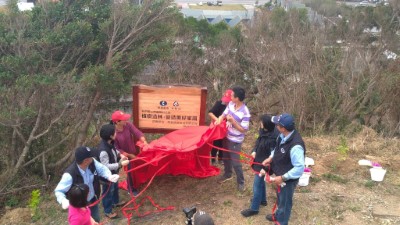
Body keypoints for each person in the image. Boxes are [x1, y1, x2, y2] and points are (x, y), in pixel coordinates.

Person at [55, 146, 120, 222]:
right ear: (86, 161)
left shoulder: (92, 162)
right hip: (79, 207)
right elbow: (58, 191)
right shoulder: (69, 175)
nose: (93, 158)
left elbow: (102, 169)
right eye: (91, 157)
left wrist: (109, 176)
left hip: (92, 200)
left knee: (96, 220)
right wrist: (63, 200)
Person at [262, 113, 305, 225]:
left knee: (285, 202)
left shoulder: (296, 146)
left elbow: (299, 168)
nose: (275, 126)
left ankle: (281, 221)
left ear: (283, 128)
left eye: (277, 124)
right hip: (280, 175)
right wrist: (271, 158)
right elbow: (276, 149)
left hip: (287, 180)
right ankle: (278, 215)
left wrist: (283, 177)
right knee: (280, 197)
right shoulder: (282, 136)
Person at [215, 86, 251, 192]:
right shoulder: (231, 104)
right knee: (226, 157)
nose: (230, 96)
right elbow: (224, 114)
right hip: (226, 136)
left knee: (235, 162)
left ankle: (241, 182)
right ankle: (227, 174)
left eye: (232, 95)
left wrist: (233, 121)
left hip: (235, 140)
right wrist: (219, 119)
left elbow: (243, 130)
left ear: (237, 98)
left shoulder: (245, 112)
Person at [241, 114, 277, 217]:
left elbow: (273, 156)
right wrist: (254, 151)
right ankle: (263, 200)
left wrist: (265, 169)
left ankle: (254, 208)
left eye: (261, 122)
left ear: (266, 124)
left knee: (256, 186)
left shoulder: (273, 139)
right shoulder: (262, 132)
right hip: (258, 161)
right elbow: (257, 143)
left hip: (264, 165)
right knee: (261, 183)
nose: (259, 123)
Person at [110, 110, 148, 195]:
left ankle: (136, 183)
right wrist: (129, 156)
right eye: (123, 119)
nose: (126, 120)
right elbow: (117, 149)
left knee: (135, 169)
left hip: (132, 152)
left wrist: (143, 141)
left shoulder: (127, 125)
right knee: (130, 171)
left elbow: (136, 132)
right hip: (124, 156)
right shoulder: (113, 133)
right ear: (117, 122)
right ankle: (131, 189)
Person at [98, 124, 130, 219]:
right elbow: (105, 166)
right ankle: (108, 211)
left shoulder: (110, 143)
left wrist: (121, 155)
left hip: (114, 173)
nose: (116, 133)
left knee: (115, 187)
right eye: (114, 132)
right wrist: (120, 164)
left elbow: (115, 151)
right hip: (107, 176)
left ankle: (115, 202)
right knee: (107, 192)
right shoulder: (103, 150)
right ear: (111, 136)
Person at [208, 89, 233, 165]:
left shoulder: (233, 106)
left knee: (223, 143)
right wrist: (218, 120)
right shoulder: (219, 103)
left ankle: (220, 158)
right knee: (216, 142)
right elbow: (210, 113)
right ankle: (213, 159)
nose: (226, 102)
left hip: (227, 127)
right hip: (217, 126)